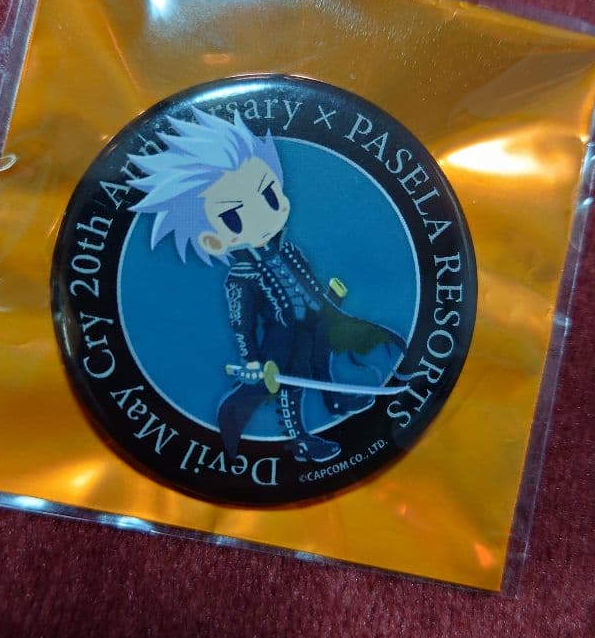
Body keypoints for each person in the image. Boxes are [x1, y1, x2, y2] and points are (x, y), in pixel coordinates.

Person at [127, 106, 404, 462]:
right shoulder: (241, 278)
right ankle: (299, 437)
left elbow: (307, 285)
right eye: (234, 216)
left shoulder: (289, 250)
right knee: (292, 381)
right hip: (282, 338)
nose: (263, 214)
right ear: (213, 240)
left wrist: (330, 301)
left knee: (321, 363)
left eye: (269, 195)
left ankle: (335, 399)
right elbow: (241, 323)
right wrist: (251, 360)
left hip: (317, 323)